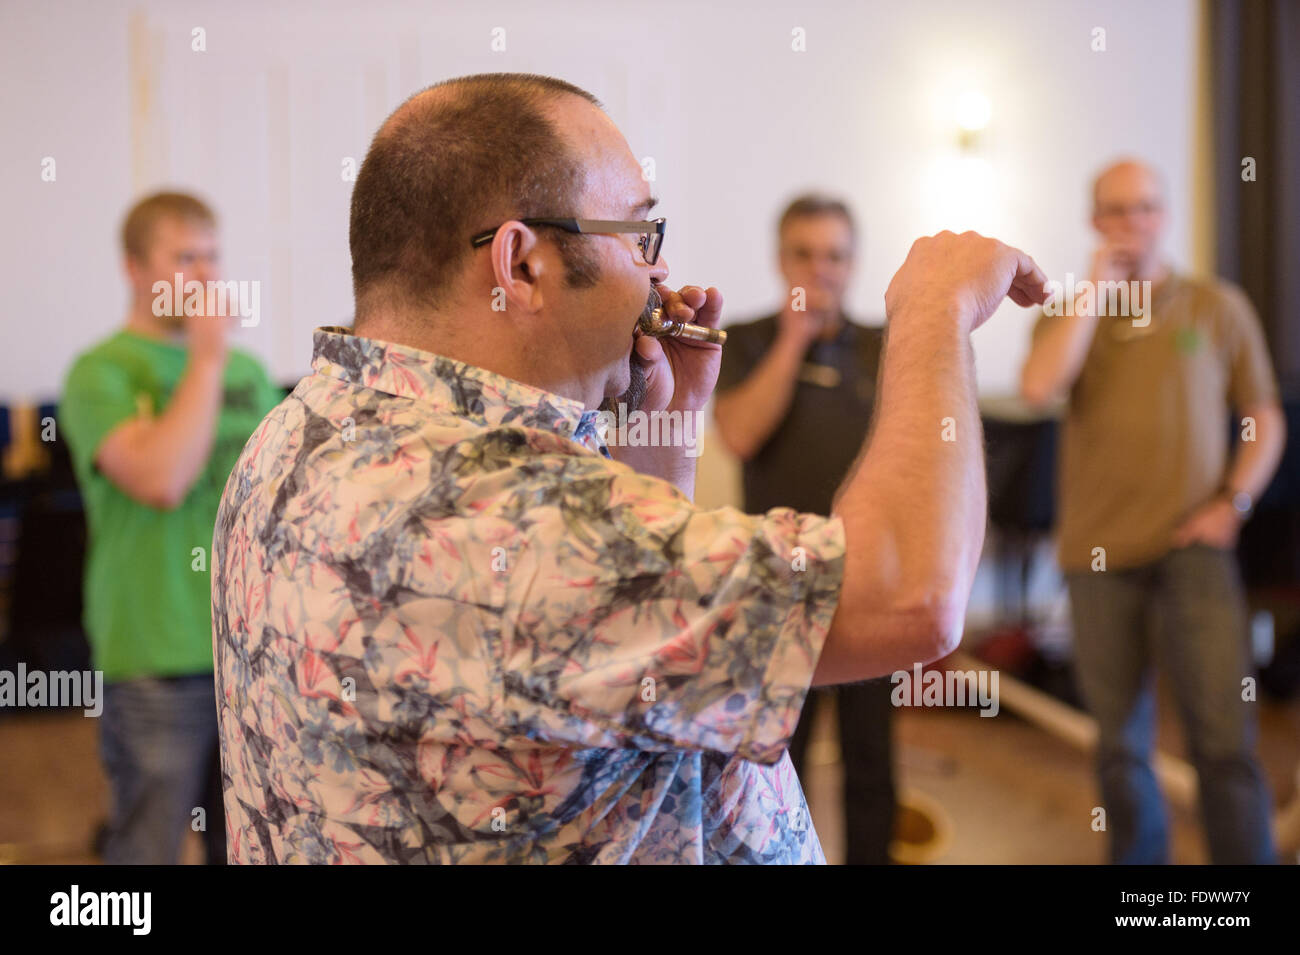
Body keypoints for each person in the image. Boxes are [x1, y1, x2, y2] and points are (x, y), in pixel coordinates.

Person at [212, 72, 1048, 864]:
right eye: (640, 232)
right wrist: (934, 313)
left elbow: (602, 661)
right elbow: (911, 595)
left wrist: (660, 443)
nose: (657, 271)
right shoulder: (513, 515)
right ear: (522, 265)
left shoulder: (294, 433)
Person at [1020, 158, 1285, 864]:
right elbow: (1040, 386)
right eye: (1115, 210)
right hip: (1096, 559)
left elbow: (1264, 415)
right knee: (1119, 748)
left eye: (1144, 208)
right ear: (1094, 220)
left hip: (1194, 547)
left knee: (1224, 738)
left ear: (1165, 215)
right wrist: (1095, 293)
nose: (1131, 223)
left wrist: (1234, 502)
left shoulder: (1215, 306)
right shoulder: (1067, 310)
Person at [60, 192, 283, 863]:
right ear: (135, 267)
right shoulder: (101, 372)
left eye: (212, 256)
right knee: (147, 848)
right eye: (184, 257)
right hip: (156, 658)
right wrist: (206, 360)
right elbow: (161, 478)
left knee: (246, 844)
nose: (205, 276)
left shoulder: (247, 372)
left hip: (246, 654)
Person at [712, 195, 895, 864]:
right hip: (778, 585)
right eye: (804, 254)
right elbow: (738, 432)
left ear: (854, 263)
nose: (820, 269)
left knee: (872, 756)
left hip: (869, 576)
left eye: (835, 255)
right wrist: (794, 338)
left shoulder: (883, 346)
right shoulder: (749, 338)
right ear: (779, 258)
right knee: (775, 758)